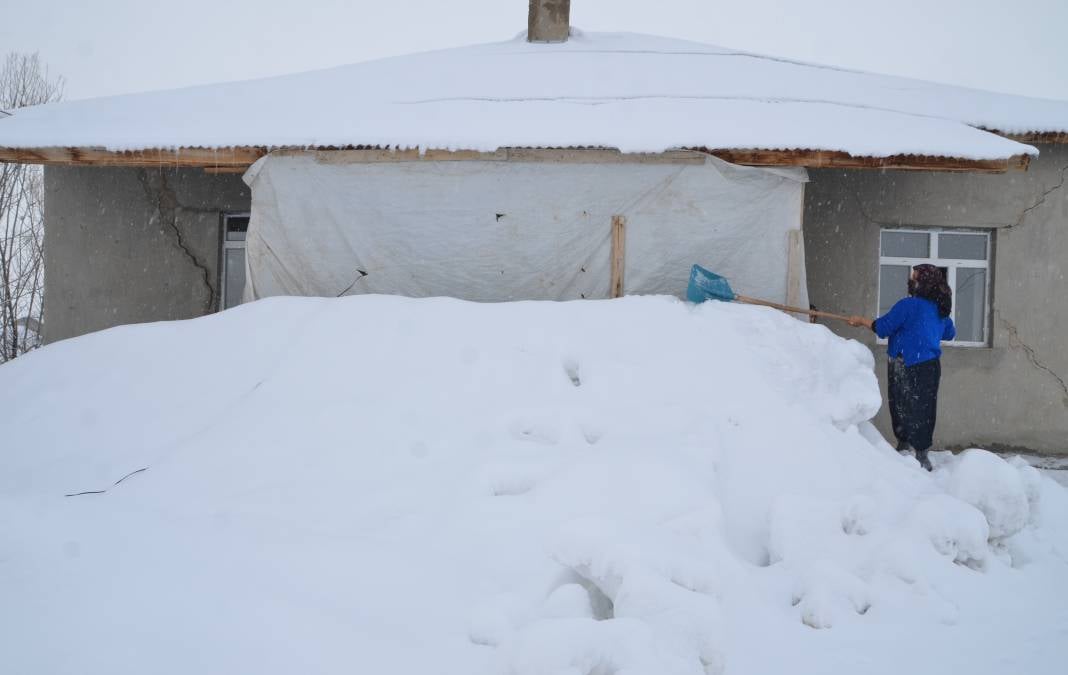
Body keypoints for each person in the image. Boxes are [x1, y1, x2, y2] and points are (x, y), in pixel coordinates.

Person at [848, 264, 955, 471]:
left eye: (914, 278)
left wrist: (861, 320)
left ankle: (904, 447)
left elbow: (883, 327)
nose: (910, 281)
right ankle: (922, 454)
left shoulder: (908, 305)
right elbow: (949, 333)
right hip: (930, 366)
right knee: (925, 408)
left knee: (901, 406)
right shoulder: (939, 308)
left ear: (923, 283)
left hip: (905, 363)